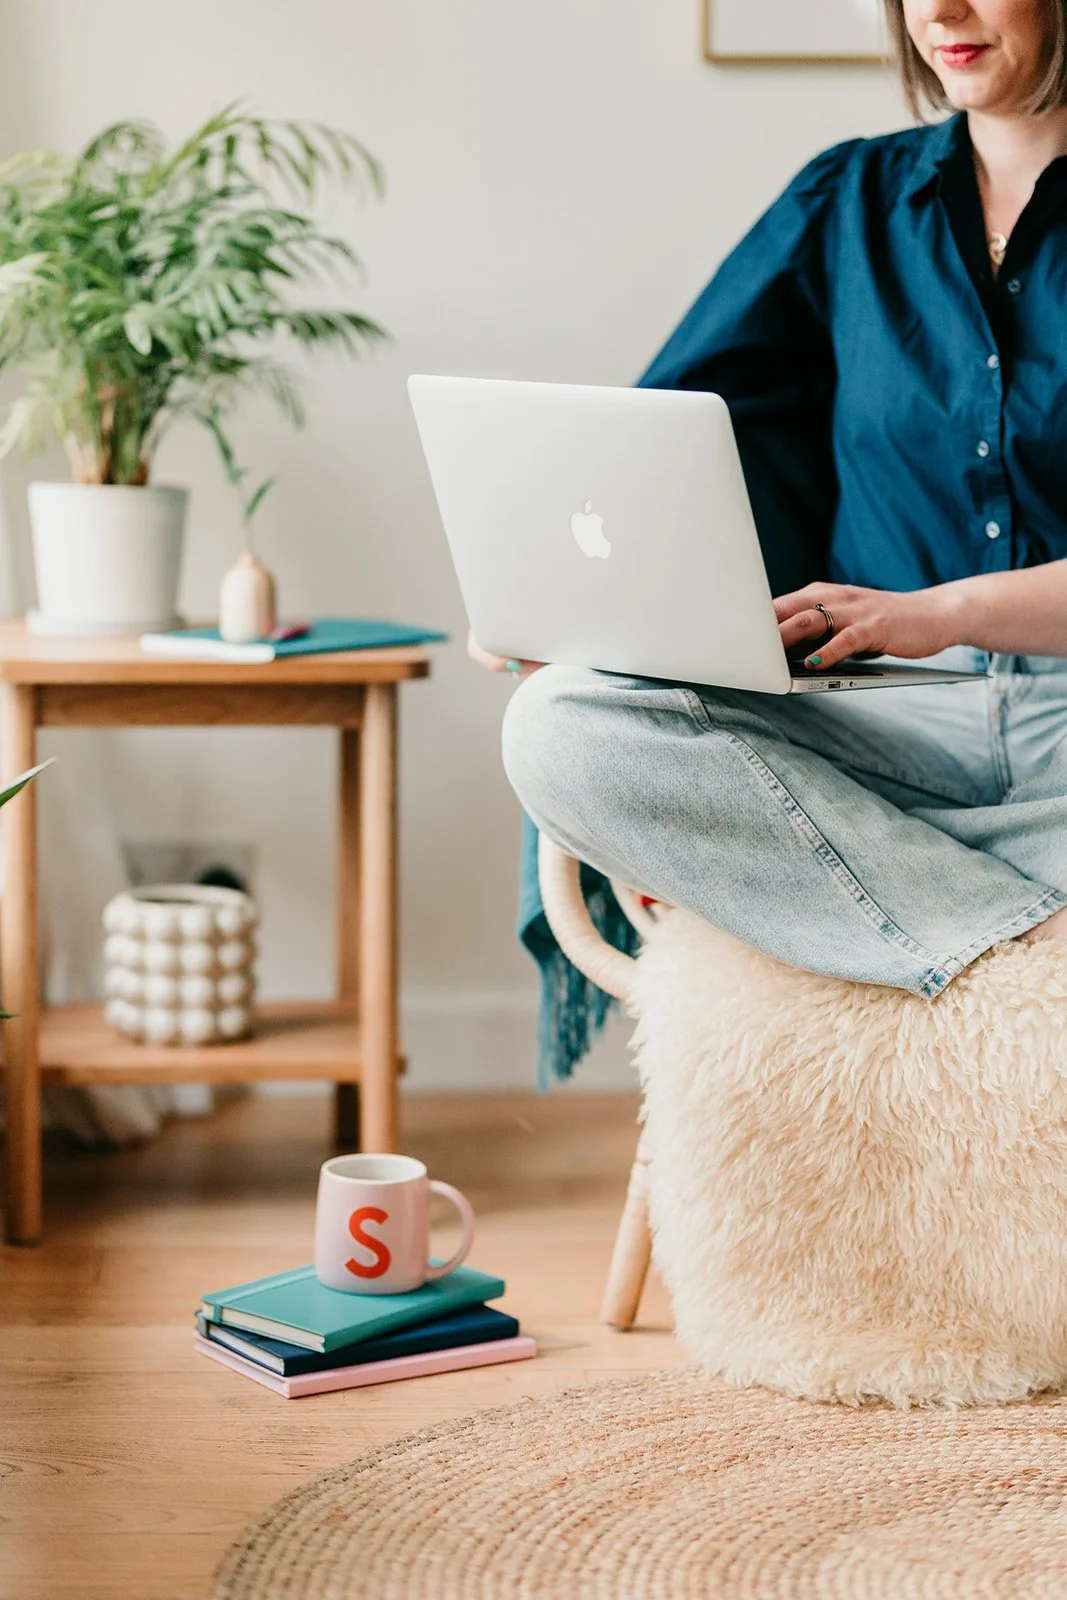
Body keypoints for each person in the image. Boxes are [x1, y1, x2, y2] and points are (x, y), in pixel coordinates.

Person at [472, 0, 1067, 1078]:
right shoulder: (846, 202)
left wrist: (937, 612)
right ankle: (1012, 934)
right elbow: (655, 447)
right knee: (556, 725)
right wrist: (563, 597)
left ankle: (900, 903)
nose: (937, 9)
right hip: (887, 733)